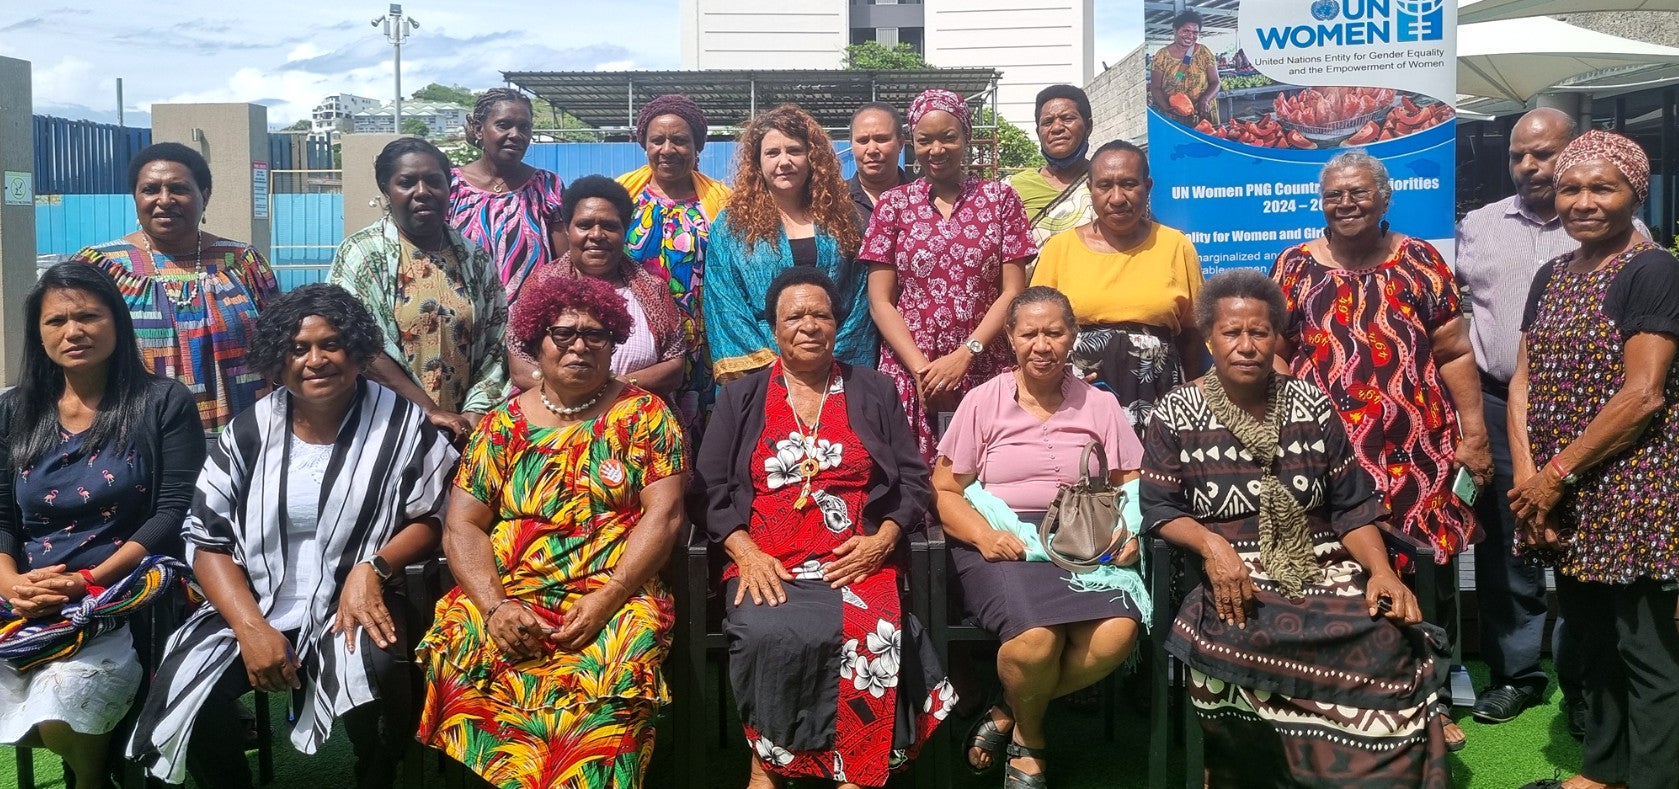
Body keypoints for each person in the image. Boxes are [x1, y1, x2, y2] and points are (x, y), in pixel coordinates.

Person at [128, 284, 457, 788]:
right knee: (184, 680)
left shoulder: (403, 425)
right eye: (298, 348)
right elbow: (205, 538)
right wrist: (251, 628)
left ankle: (375, 771)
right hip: (252, 602)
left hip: (359, 599)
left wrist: (375, 567)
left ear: (358, 351)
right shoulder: (249, 431)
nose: (316, 360)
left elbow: (434, 516)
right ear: (276, 358)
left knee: (381, 670)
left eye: (331, 344)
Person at [1143, 269, 1452, 787]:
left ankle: (1366, 774)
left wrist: (1381, 571)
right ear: (1210, 339)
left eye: (1259, 333)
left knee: (1384, 631)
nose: (1246, 345)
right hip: (1229, 568)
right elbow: (1159, 508)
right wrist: (1212, 544)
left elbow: (1351, 505)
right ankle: (1263, 769)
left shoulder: (1311, 402)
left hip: (1320, 559)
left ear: (1277, 337)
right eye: (1231, 333)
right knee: (1247, 631)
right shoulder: (1176, 411)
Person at [417, 274, 688, 789]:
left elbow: (666, 516)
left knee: (616, 654)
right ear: (538, 341)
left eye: (596, 335)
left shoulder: (645, 415)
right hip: (512, 590)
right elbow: (463, 526)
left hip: (616, 588)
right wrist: (495, 607)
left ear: (613, 345)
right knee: (464, 633)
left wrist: (608, 598)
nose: (580, 346)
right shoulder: (501, 425)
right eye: (563, 334)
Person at [695, 267, 954, 789]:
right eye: (795, 316)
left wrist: (885, 538)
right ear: (774, 328)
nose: (809, 325)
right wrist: (744, 551)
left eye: (821, 314)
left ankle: (853, 768)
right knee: (769, 632)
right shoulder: (741, 397)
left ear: (838, 323)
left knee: (873, 632)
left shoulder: (874, 389)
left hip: (857, 558)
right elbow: (708, 490)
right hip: (767, 561)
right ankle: (767, 764)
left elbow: (914, 480)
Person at [1273, 151, 1490, 749]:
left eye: (1358, 193)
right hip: (1326, 452)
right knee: (1338, 565)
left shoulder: (1421, 260)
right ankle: (1351, 693)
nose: (1345, 204)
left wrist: (1474, 436)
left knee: (1423, 565)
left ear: (1384, 198)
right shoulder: (1294, 266)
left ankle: (1433, 698)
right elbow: (1274, 353)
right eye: (1334, 195)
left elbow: (1453, 353)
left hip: (1416, 450)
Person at [1454, 108, 1647, 731]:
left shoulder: (1626, 231)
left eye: (1545, 155)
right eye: (1519, 156)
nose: (1531, 166)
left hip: (1598, 417)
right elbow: (1455, 320)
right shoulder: (1479, 226)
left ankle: (1590, 684)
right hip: (1500, 401)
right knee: (1511, 547)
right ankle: (1518, 677)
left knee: (1589, 547)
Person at [1508, 130, 1679, 789]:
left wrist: (1551, 477)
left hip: (1632, 489)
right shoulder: (1551, 273)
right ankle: (1604, 770)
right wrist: (1527, 480)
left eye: (1601, 187)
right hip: (1563, 492)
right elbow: (1521, 379)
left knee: (1646, 652)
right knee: (1591, 641)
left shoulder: (1651, 269)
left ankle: (1654, 776)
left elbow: (1641, 394)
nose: (1582, 201)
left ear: (1633, 192)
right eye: (1569, 188)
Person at [931, 287, 1147, 788]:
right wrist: (983, 535)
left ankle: (1007, 711)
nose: (1042, 344)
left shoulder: (1100, 404)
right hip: (1006, 541)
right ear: (1009, 339)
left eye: (1054, 332)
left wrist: (1128, 532)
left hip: (1087, 536)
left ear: (1073, 336)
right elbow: (943, 489)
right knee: (1035, 643)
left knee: (1118, 633)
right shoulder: (982, 401)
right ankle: (1032, 744)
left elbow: (1130, 480)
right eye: (1029, 333)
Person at [0, 263, 205, 789]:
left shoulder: (163, 403)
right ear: (38, 332)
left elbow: (172, 511)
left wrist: (89, 582)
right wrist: (12, 583)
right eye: (57, 321)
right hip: (26, 595)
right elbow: (1, 516)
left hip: (119, 590)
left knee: (66, 694)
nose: (74, 331)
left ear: (117, 322)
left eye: (89, 315)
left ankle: (90, 778)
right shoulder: (12, 410)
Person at [863, 89, 1035, 462]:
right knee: (912, 484)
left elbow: (1012, 293)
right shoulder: (894, 205)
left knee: (980, 480)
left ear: (967, 138)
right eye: (925, 140)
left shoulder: (1000, 199)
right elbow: (880, 300)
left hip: (983, 364)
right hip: (912, 369)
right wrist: (923, 370)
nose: (936, 149)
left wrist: (965, 355)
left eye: (948, 137)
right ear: (912, 143)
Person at [70, 142, 278, 435]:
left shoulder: (242, 262)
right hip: (131, 438)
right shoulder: (99, 267)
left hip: (241, 435)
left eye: (179, 188)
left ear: (204, 196)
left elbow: (280, 345)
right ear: (135, 198)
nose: (165, 200)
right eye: (150, 189)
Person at [329, 137, 511, 440]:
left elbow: (497, 342)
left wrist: (473, 413)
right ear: (386, 190)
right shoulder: (361, 254)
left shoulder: (474, 259)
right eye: (407, 182)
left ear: (449, 187)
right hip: (382, 428)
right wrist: (429, 411)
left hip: (464, 431)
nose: (422, 192)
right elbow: (358, 343)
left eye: (433, 181)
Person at [1030, 140, 1204, 435]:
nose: (1117, 197)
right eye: (1105, 185)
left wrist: (1190, 396)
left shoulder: (1176, 246)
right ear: (1090, 188)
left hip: (1161, 398)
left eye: (1129, 184)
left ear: (1147, 186)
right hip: (1077, 397)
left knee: (1156, 479)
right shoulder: (1059, 250)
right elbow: (1036, 332)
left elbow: (1194, 334)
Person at [706, 104, 877, 382]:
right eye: (772, 153)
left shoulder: (844, 218)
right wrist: (777, 368)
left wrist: (823, 360)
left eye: (794, 151)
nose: (784, 161)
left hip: (837, 365)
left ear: (812, 158)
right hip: (760, 373)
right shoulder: (731, 225)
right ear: (757, 163)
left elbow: (859, 298)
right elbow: (725, 303)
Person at [507, 175, 687, 396]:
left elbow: (674, 365)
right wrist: (583, 397)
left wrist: (615, 389)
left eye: (610, 226)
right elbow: (520, 368)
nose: (596, 235)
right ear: (567, 229)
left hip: (634, 418)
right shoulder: (541, 284)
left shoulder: (654, 290)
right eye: (584, 225)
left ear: (625, 230)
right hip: (556, 420)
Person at [618, 94, 732, 433]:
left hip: (701, 341)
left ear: (697, 147)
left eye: (680, 140)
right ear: (644, 144)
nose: (668, 149)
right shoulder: (622, 198)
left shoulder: (722, 203)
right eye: (658, 140)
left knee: (696, 427)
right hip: (634, 338)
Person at [449, 88, 567, 302]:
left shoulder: (546, 186)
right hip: (467, 324)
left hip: (531, 325)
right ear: (478, 129)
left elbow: (565, 264)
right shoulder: (450, 186)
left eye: (524, 127)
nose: (516, 135)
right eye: (504, 125)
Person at [1006, 85, 1097, 247]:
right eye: (1047, 122)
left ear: (1088, 126)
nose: (1056, 128)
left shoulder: (1108, 183)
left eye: (1068, 118)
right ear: (1038, 132)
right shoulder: (1012, 189)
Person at [1149, 11, 1221, 128]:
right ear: (1175, 30)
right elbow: (1155, 87)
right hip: (1173, 113)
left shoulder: (1204, 52)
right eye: (1186, 31)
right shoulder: (1162, 56)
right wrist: (1166, 107)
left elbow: (1216, 82)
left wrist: (1205, 99)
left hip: (1202, 113)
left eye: (1195, 32)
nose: (1190, 36)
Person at [847, 102, 911, 230]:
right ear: (851, 145)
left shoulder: (923, 201)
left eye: (882, 139)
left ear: (900, 143)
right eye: (863, 141)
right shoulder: (831, 202)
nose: (872, 150)